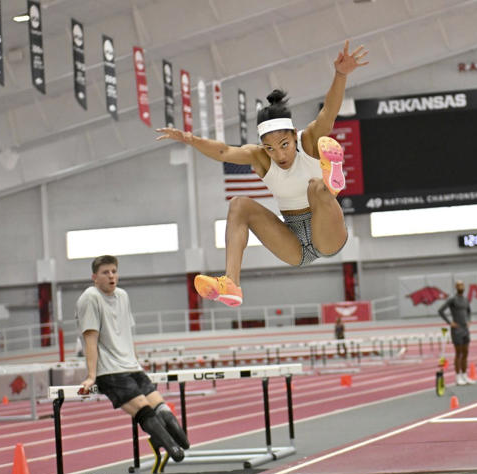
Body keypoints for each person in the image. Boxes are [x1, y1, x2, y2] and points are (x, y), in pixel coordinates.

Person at [156, 41, 368, 307]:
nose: (279, 155)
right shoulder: (259, 157)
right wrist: (190, 139)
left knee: (316, 186)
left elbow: (329, 111)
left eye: (284, 145)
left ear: (294, 136)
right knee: (239, 204)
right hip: (294, 242)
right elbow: (223, 152)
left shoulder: (310, 140)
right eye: (269, 148)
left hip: (327, 231)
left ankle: (332, 183)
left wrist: (340, 74)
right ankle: (231, 283)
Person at [76, 255, 190, 464]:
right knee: (147, 413)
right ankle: (168, 447)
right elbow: (90, 337)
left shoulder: (123, 295)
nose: (111, 276)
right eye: (105, 272)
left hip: (132, 367)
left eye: (114, 271)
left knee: (163, 411)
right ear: (94, 277)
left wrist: (137, 364)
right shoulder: (90, 298)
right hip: (110, 371)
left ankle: (169, 443)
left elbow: (127, 335)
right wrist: (92, 376)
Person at [438, 280, 475, 386]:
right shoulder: (452, 299)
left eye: (462, 285)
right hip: (456, 329)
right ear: (456, 287)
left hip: (465, 329)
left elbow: (469, 311)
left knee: (466, 353)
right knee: (458, 353)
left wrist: (469, 320)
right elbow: (440, 311)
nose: (461, 287)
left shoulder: (466, 299)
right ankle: (457, 377)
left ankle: (465, 375)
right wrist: (450, 322)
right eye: (459, 285)